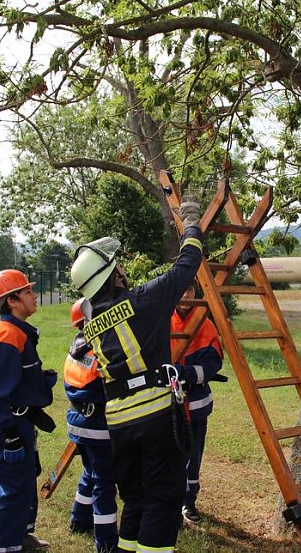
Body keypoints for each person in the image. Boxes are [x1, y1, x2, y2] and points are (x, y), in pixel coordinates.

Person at [69, 194, 203, 553]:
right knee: (163, 499)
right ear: (112, 276)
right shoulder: (143, 301)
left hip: (119, 423)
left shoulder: (90, 324)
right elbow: (187, 264)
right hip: (155, 415)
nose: (123, 272)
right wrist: (191, 224)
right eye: (118, 268)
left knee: (136, 499)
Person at [0, 269, 57, 553]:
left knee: (25, 481)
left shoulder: (19, 331)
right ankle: (2, 548)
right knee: (13, 487)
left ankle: (21, 538)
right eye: (27, 292)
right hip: (6, 422)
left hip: (19, 419)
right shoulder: (7, 336)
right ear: (12, 301)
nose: (34, 296)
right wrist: (9, 434)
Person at [64, 298, 118, 552]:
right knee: (104, 481)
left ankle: (79, 520)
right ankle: (106, 542)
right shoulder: (100, 350)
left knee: (90, 472)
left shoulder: (76, 347)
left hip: (78, 422)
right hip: (97, 425)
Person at [170, 284, 224, 523]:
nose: (185, 294)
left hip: (196, 404)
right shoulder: (162, 318)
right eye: (182, 288)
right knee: (167, 456)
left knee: (193, 456)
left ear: (196, 292)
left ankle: (188, 501)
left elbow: (213, 363)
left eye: (190, 289)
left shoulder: (205, 324)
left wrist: (187, 374)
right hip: (166, 405)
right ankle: (169, 504)